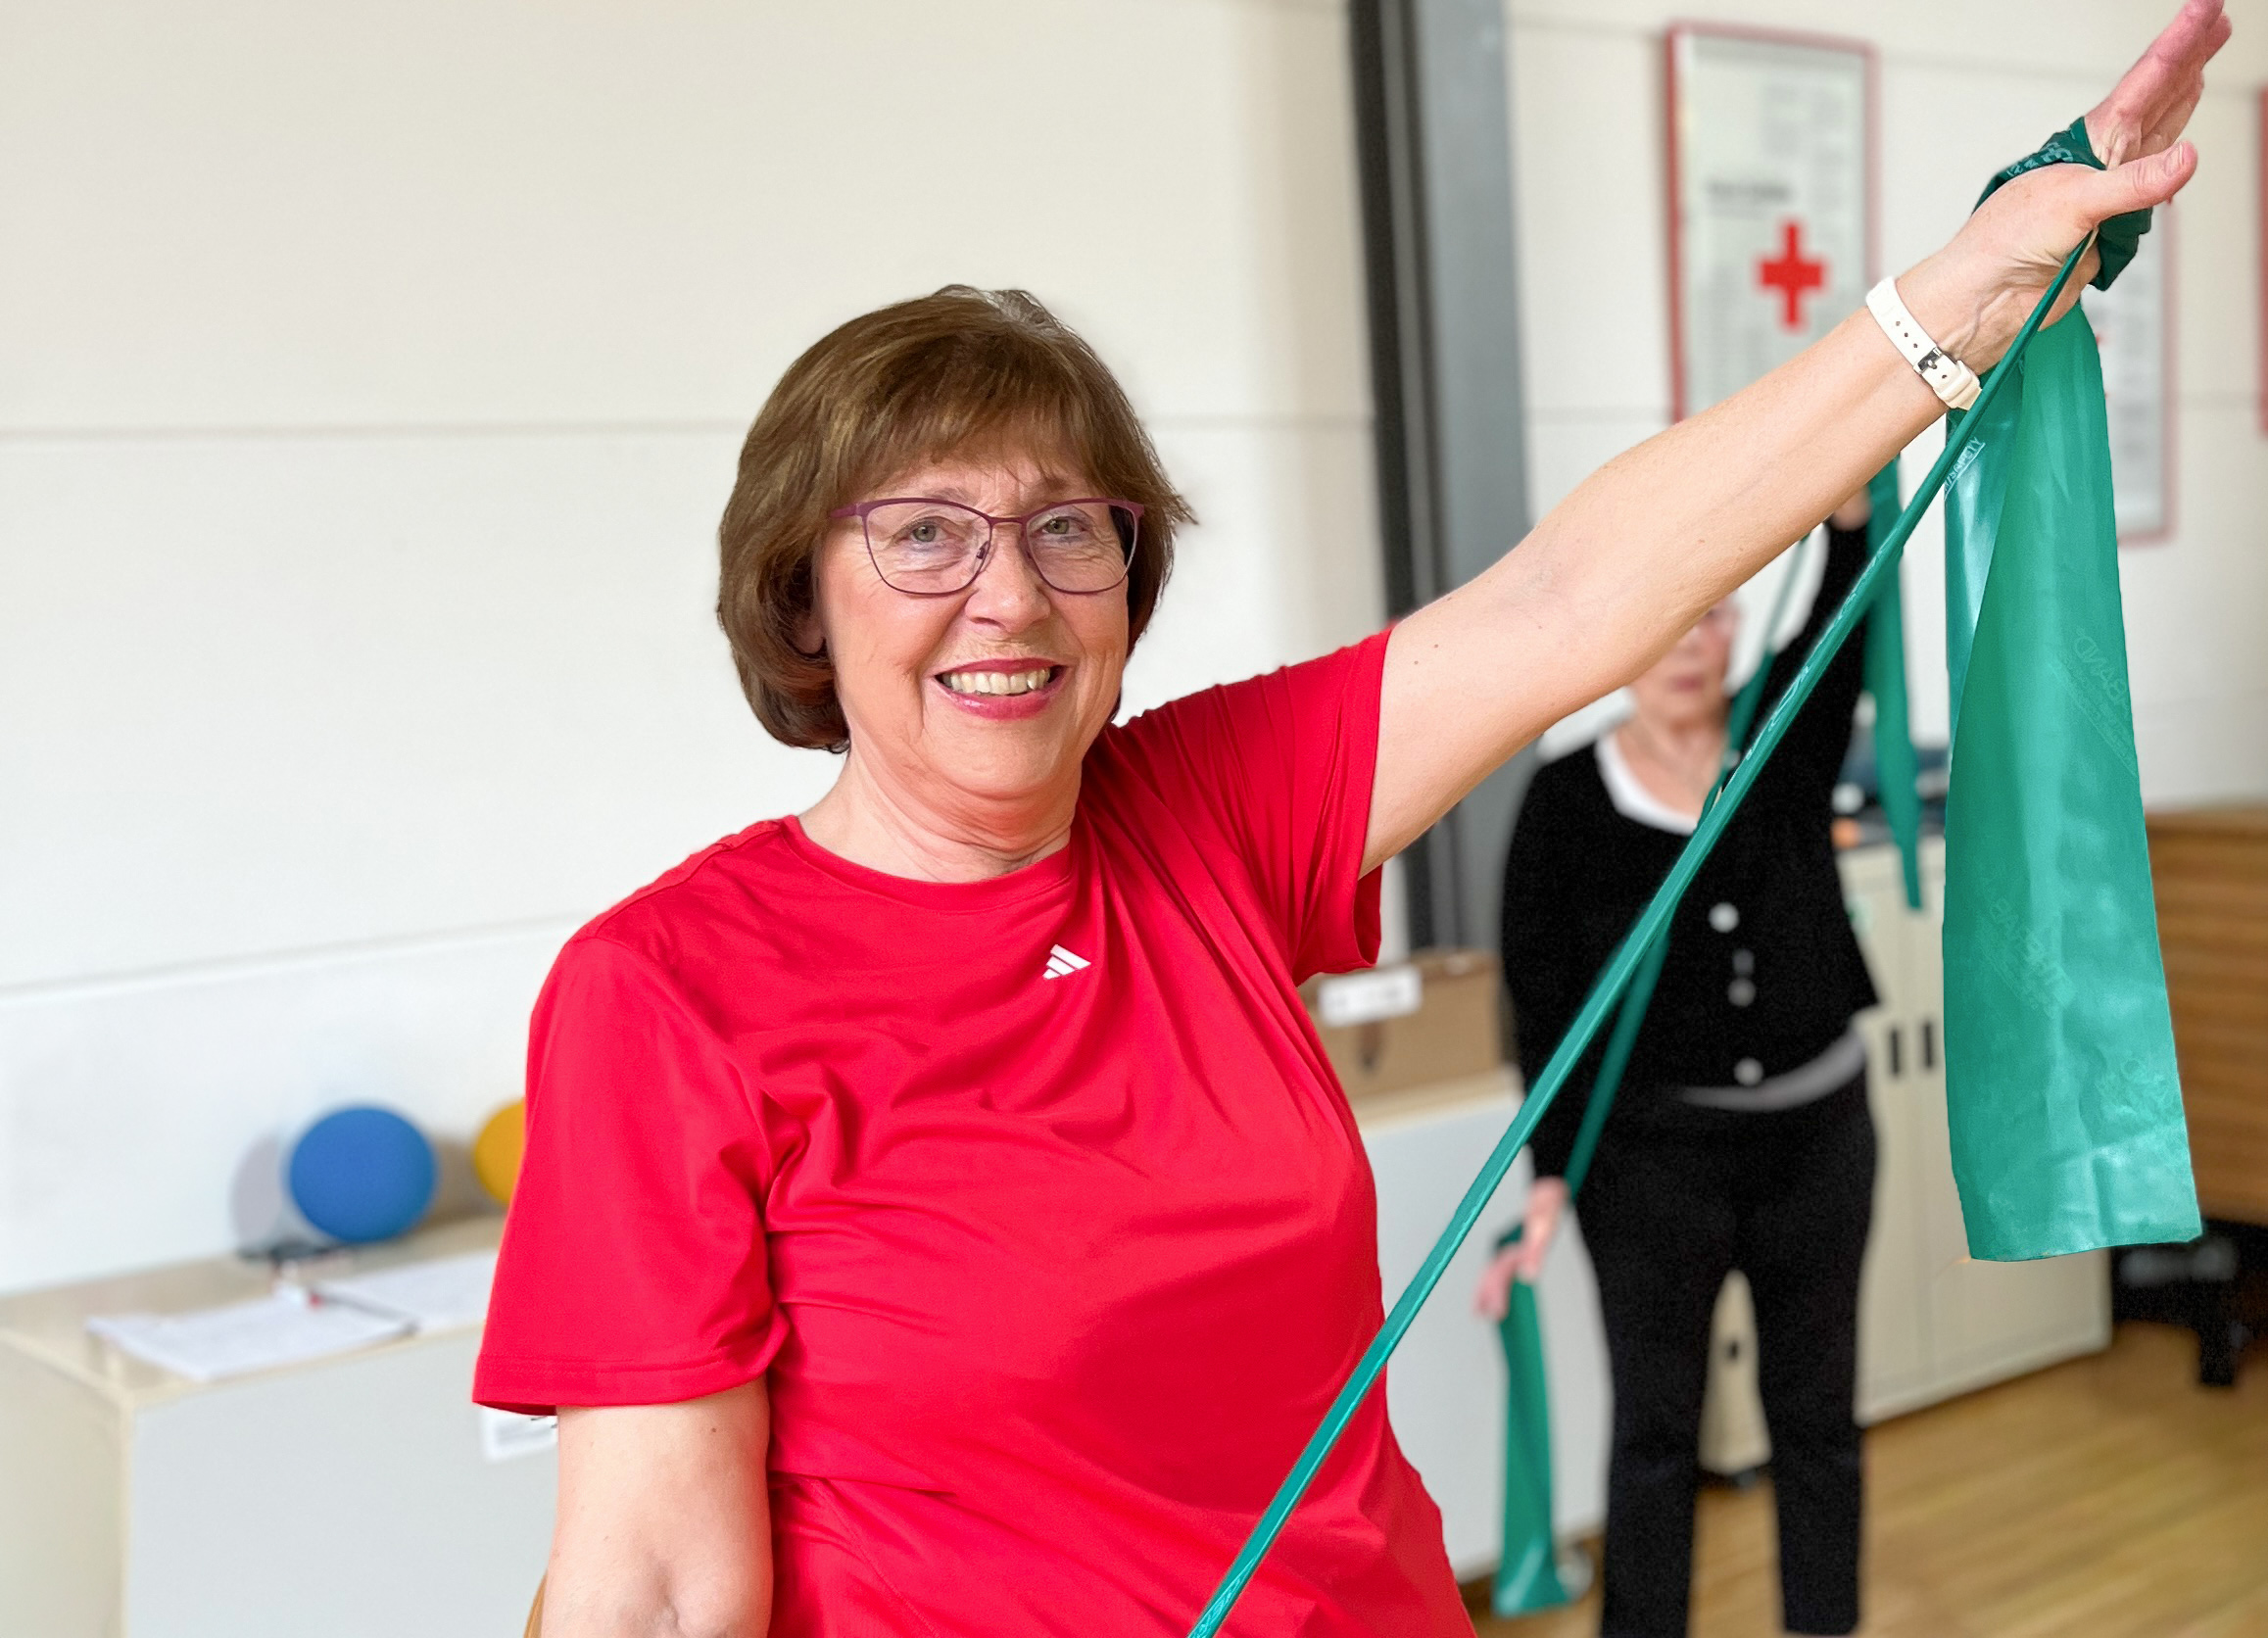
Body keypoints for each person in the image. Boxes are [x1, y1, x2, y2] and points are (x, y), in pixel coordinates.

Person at [472, 10, 2224, 1632]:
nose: (1006, 597)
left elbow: (1566, 600)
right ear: (801, 598)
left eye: (1069, 530)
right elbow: (645, 1580)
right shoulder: (663, 993)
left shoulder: (1207, 809)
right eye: (924, 534)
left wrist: (1962, 298)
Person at [1474, 491, 1879, 1638]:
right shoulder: (1562, 802)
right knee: (1655, 1430)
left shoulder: (1778, 742)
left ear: (1732, 630)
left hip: (1818, 1137)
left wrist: (1849, 526)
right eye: (1658, 625)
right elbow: (1542, 1004)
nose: (1684, 650)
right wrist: (1550, 1178)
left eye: (1707, 619)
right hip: (1652, 1161)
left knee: (1816, 1416)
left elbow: (1843, 628)